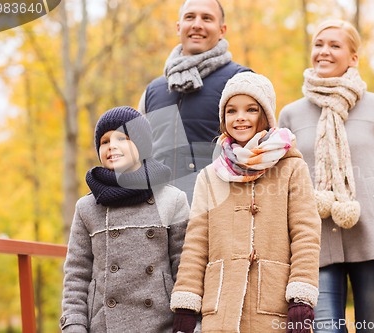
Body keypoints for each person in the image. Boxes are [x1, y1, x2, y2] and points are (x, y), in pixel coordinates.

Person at [278, 19, 374, 333]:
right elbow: (286, 185)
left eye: (334, 45)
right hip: (316, 242)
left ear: (353, 57)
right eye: (319, 44)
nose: (324, 51)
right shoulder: (291, 114)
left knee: (371, 329)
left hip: (373, 238)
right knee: (327, 329)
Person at [169, 72, 322, 333]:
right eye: (231, 110)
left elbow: (306, 233)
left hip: (272, 305)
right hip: (221, 307)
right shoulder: (210, 176)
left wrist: (301, 296)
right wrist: (186, 302)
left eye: (251, 109)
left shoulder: (291, 168)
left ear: (266, 115)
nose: (240, 117)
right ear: (223, 118)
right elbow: (196, 243)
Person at [60, 106, 190, 333]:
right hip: (103, 326)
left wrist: (187, 323)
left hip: (162, 324)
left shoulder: (172, 199)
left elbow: (184, 268)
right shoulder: (87, 207)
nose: (112, 146)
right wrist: (73, 324)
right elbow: (76, 274)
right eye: (105, 141)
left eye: (123, 138)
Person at [137, 0, 251, 205]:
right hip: (159, 217)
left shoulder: (240, 80)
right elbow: (139, 158)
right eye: (190, 17)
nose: (197, 24)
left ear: (222, 30)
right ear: (178, 27)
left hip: (218, 212)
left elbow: (259, 151)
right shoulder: (153, 90)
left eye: (207, 18)